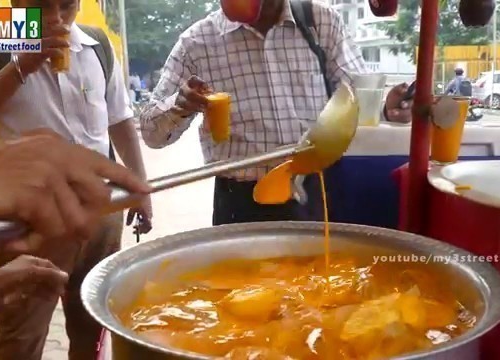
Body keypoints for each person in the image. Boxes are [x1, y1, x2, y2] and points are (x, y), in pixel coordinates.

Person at [141, 0, 413, 226]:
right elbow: (152, 134)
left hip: (315, 191)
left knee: (319, 283)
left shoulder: (321, 22)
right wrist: (181, 105)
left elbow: (356, 99)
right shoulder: (197, 43)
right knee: (241, 287)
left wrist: (386, 108)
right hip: (241, 202)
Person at [0, 0, 153, 358]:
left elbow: (120, 120)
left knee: (93, 325)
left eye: (66, 5)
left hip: (100, 208)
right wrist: (21, 66)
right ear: (18, 4)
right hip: (29, 222)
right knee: (21, 333)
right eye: (41, 6)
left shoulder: (97, 44)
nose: (56, 18)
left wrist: (140, 187)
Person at [0, 130, 151, 311]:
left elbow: (120, 119)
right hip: (28, 215)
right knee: (23, 327)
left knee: (95, 311)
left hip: (101, 199)